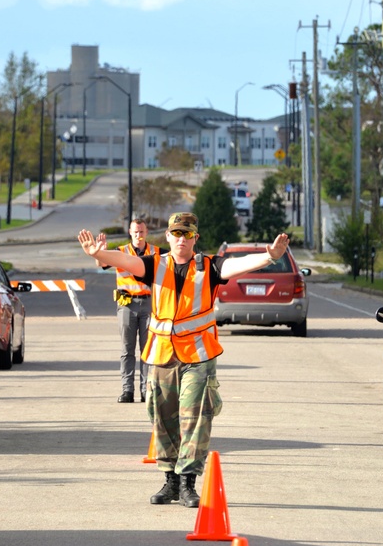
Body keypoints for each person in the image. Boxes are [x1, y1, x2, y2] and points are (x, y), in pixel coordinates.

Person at [77, 212, 290, 508]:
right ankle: (170, 482)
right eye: (176, 234)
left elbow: (235, 265)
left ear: (195, 238)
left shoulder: (208, 266)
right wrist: (98, 254)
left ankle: (189, 482)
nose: (181, 239)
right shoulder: (155, 264)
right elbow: (126, 261)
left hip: (198, 357)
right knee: (162, 418)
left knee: (194, 417)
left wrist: (268, 257)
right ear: (167, 237)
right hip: (163, 354)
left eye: (187, 234)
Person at [103, 218, 163, 403]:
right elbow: (102, 264)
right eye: (135, 232)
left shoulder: (155, 252)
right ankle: (127, 390)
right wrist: (99, 251)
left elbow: (174, 261)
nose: (138, 235)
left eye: (142, 232)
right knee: (127, 350)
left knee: (147, 350)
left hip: (148, 304)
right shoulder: (121, 252)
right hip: (127, 304)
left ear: (146, 233)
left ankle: (146, 390)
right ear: (130, 232)